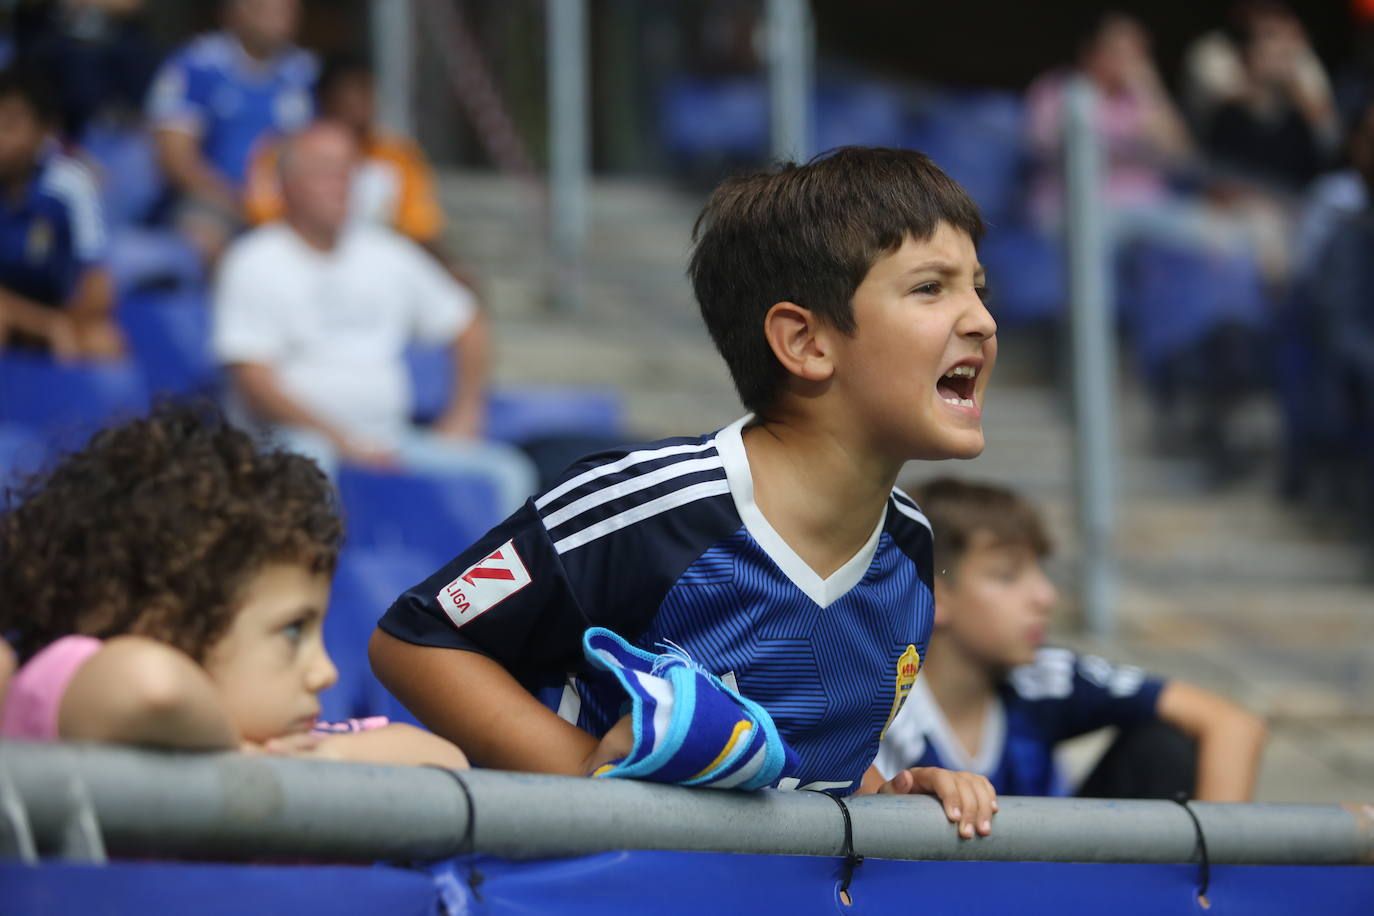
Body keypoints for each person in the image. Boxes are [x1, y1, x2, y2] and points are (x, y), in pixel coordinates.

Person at [371, 147, 1001, 839]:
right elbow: (418, 639)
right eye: (931, 289)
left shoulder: (909, 546)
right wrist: (592, 784)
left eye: (978, 287)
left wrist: (890, 800)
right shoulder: (649, 504)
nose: (980, 320)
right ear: (805, 342)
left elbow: (808, 768)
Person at [0, 405, 468, 769]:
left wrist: (324, 763)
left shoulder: (296, 746)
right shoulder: (68, 703)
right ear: (159, 625)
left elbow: (445, 759)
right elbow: (151, 685)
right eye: (292, 631)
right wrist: (239, 758)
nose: (326, 672)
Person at [212, 121, 536, 514]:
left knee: (505, 472)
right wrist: (341, 442)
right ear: (287, 184)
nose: (342, 184)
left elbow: (468, 323)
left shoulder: (387, 253)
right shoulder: (254, 261)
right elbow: (253, 380)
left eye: (349, 171)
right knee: (308, 462)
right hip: (288, 442)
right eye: (325, 172)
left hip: (388, 439)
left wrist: (465, 413)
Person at [876, 479, 1267, 800]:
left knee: (1164, 745)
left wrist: (1218, 878)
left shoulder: (1046, 678)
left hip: (1055, 891)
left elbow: (1234, 724)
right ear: (934, 596)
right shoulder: (873, 706)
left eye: (1039, 572)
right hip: (933, 893)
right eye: (1007, 576)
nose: (1045, 596)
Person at [144, 0, 315, 262]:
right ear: (235, 11)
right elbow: (176, 158)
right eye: (267, 9)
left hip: (286, 205)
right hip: (213, 203)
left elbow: (318, 149)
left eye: (287, 9)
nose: (279, 18)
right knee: (202, 238)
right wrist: (239, 203)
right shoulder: (197, 65)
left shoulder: (304, 72)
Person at [244, 53, 446, 253]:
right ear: (327, 97)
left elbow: (421, 229)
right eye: (354, 90)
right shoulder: (282, 151)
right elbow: (264, 217)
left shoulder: (399, 157)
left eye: (369, 90)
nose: (364, 101)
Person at [0, 65, 121, 358]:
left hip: (58, 316)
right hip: (21, 318)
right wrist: (45, 326)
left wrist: (64, 325)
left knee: (104, 343)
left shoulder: (70, 185)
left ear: (45, 131)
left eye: (11, 124)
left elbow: (98, 287)